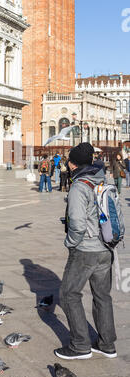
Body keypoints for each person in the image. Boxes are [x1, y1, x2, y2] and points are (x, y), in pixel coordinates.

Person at [55, 142, 117, 360]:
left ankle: (80, 345)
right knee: (102, 296)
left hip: (85, 249)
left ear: (72, 164)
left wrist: (70, 242)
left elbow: (78, 224)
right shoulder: (103, 181)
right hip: (105, 248)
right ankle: (107, 344)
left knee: (69, 294)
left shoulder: (79, 186)